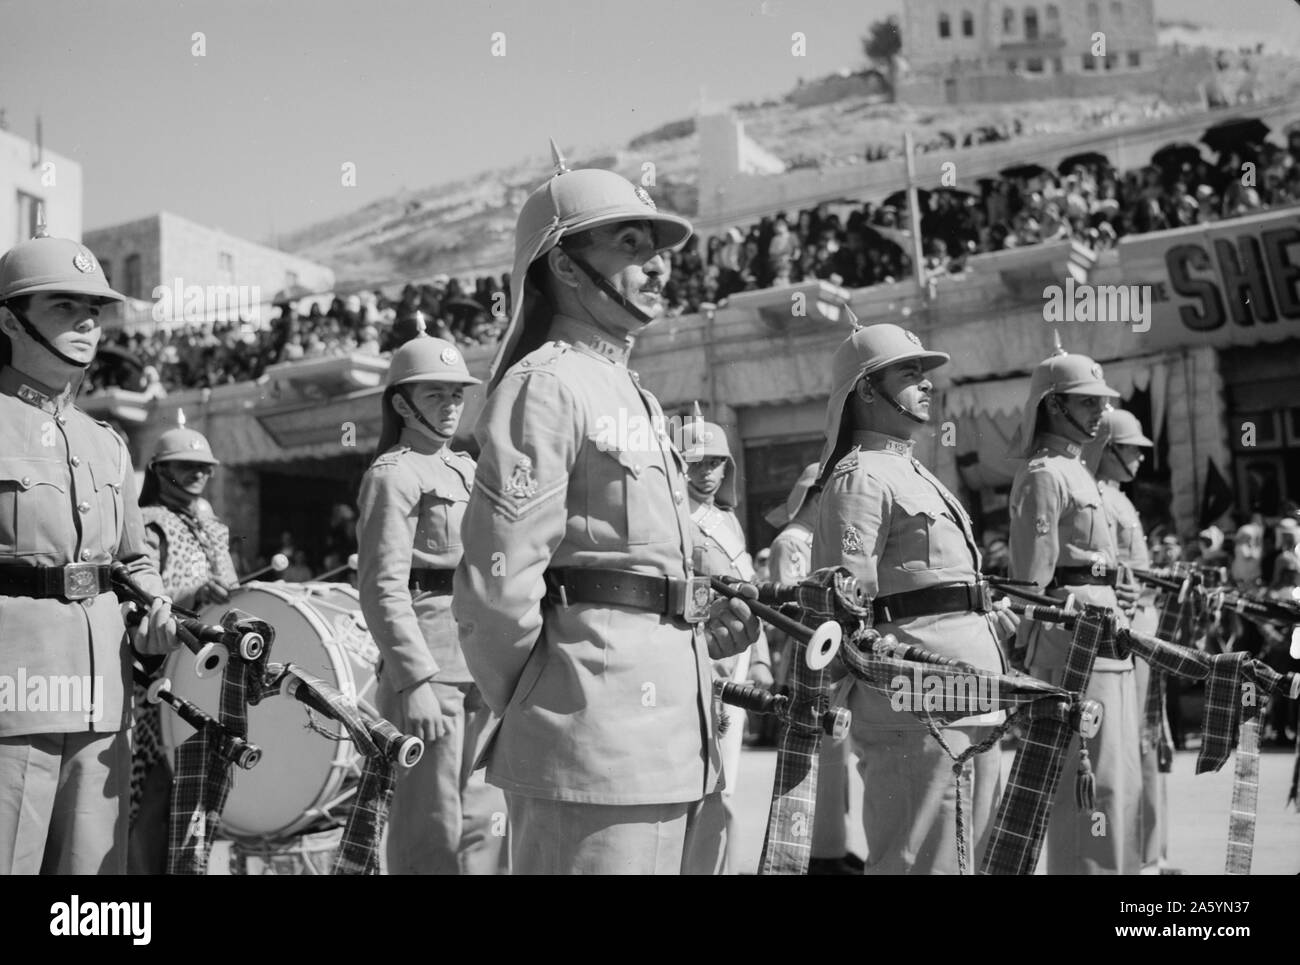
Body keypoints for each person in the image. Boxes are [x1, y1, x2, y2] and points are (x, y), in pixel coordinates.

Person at [453, 154, 761, 875]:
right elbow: (498, 592)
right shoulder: (547, 387)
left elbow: (644, 563)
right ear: (563, 263)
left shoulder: (634, 395)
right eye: (628, 243)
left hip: (669, 740)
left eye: (655, 248)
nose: (656, 265)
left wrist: (699, 620)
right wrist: (548, 701)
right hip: (590, 741)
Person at [0, 230, 177, 874]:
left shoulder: (106, 442)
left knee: (94, 886)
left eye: (93, 311)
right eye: (61, 307)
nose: (84, 324)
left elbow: (132, 561)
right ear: (9, 320)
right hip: (12, 695)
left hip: (104, 696)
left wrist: (155, 608)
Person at [813, 324, 1016, 874]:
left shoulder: (917, 472)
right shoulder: (859, 479)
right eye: (908, 373)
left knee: (969, 856)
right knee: (919, 857)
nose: (926, 384)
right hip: (913, 697)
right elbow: (844, 607)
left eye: (925, 373)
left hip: (972, 690)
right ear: (866, 390)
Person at [356, 335, 506, 875]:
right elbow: (381, 587)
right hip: (430, 670)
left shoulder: (467, 469)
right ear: (402, 404)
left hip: (483, 661)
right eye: (435, 395)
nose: (449, 406)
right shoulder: (393, 475)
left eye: (457, 395)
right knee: (430, 823)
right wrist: (413, 679)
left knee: (484, 815)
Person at [1007, 348, 1141, 875]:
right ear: (1053, 405)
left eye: (1100, 403)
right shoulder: (1044, 475)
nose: (1098, 413)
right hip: (1071, 646)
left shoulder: (1078, 471)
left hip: (1109, 637)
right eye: (1086, 403)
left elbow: (1092, 560)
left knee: (1119, 774)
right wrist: (1024, 653)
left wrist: (1115, 581)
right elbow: (1032, 581)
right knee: (1087, 784)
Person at [128, 413, 239, 875]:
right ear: (159, 471)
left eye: (205, 468)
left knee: (200, 797)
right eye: (186, 466)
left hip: (207, 679)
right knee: (154, 793)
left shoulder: (213, 525)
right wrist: (190, 595)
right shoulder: (146, 523)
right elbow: (135, 599)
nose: (198, 474)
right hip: (157, 679)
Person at [680, 419, 772, 873]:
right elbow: (692, 593)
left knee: (728, 782)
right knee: (705, 781)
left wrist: (760, 660)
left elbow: (752, 592)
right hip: (704, 656)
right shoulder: (675, 519)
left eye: (716, 462)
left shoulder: (730, 520)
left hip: (738, 656)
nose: (707, 473)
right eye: (696, 462)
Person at [765, 462, 863, 875]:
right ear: (813, 495)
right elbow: (791, 608)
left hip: (837, 658)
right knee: (814, 758)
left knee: (836, 760)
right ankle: (815, 855)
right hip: (809, 657)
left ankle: (832, 847)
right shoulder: (791, 543)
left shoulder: (825, 541)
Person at [1085, 407, 1167, 874]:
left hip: (1145, 627)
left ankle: (1148, 852)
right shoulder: (1094, 496)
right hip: (1126, 631)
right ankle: (1134, 855)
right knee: (1127, 750)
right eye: (1130, 449)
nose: (1138, 458)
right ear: (1107, 448)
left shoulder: (1119, 498)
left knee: (1146, 744)